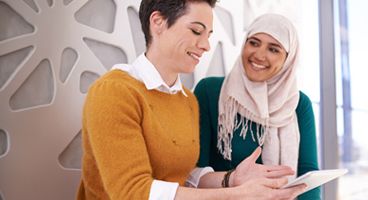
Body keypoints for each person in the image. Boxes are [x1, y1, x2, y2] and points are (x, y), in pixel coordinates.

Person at [77, 0, 306, 199]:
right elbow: (132, 192)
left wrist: (232, 179)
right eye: (197, 31)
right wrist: (235, 195)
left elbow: (184, 176)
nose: (205, 45)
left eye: (208, 35)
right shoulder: (114, 92)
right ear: (158, 22)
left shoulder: (186, 100)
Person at [194, 13, 321, 200]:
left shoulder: (299, 103)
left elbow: (307, 179)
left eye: (274, 49)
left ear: (288, 59)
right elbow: (194, 174)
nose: (259, 55)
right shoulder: (210, 91)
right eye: (253, 43)